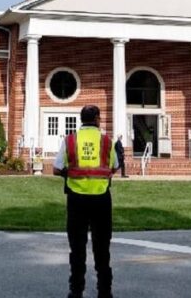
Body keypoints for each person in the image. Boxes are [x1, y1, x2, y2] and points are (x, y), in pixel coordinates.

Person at [54, 105, 118, 298]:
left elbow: (57, 168)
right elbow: (114, 166)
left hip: (77, 199)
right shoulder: (107, 141)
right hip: (101, 200)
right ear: (97, 119)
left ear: (81, 119)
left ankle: (76, 291)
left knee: (77, 248)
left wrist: (71, 174)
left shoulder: (70, 140)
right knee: (102, 249)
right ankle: (105, 292)